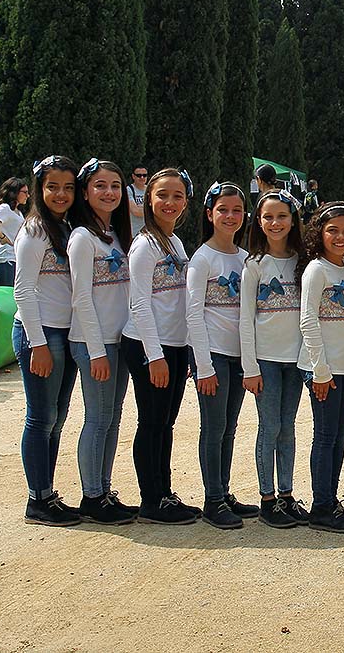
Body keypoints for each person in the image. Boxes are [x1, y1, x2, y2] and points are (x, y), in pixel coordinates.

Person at [119, 168, 197, 525]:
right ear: (148, 198)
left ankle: (164, 493)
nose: (170, 202)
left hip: (175, 345)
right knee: (151, 422)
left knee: (166, 422)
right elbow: (139, 303)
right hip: (150, 346)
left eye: (177, 196)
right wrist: (155, 356)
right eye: (162, 195)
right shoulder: (144, 245)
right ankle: (150, 500)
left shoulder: (175, 243)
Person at [67, 158, 136, 525]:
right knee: (97, 418)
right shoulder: (81, 238)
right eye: (100, 186)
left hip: (119, 339)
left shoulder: (117, 236)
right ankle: (92, 495)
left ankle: (103, 488)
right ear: (85, 192)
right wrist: (96, 351)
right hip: (94, 342)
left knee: (112, 418)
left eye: (115, 186)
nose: (109, 192)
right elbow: (81, 298)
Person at [186, 182, 256, 530]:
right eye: (223, 210)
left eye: (237, 211)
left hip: (237, 354)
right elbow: (193, 314)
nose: (230, 216)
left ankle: (223, 490)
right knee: (213, 429)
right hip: (212, 354)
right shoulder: (202, 258)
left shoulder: (244, 258)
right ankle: (212, 499)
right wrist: (202, 366)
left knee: (229, 428)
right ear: (209, 213)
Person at [13, 156, 78, 526]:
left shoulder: (64, 228)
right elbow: (22, 290)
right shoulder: (35, 230)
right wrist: (37, 344)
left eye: (68, 187)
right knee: (40, 418)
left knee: (57, 417)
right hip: (41, 334)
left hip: (64, 333)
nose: (61, 193)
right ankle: (37, 499)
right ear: (39, 188)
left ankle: (47, 492)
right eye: (53, 186)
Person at [240, 190, 308, 529]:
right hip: (266, 360)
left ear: (292, 220)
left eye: (282, 216)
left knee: (288, 428)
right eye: (268, 217)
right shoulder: (254, 264)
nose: (275, 223)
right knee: (270, 427)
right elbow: (246, 318)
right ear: (258, 221)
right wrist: (249, 367)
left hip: (295, 360)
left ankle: (286, 494)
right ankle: (267, 499)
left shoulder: (302, 261)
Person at [300, 202, 344, 533]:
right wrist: (320, 371)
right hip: (323, 370)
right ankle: (321, 506)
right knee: (325, 436)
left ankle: (330, 499)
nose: (340, 237)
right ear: (319, 232)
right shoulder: (317, 269)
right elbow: (308, 319)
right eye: (332, 230)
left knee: (340, 435)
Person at [127, 167, 148, 237]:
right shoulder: (129, 190)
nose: (142, 177)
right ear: (133, 176)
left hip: (148, 232)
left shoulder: (150, 190)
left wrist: (141, 208)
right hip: (133, 233)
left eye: (144, 175)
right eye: (139, 175)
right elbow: (136, 212)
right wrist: (149, 209)